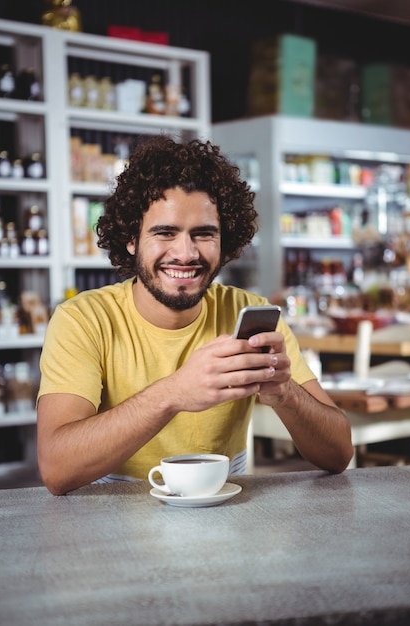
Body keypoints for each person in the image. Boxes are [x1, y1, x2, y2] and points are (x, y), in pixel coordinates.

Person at [37, 135, 353, 495]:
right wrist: (173, 393)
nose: (185, 253)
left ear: (225, 240)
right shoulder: (83, 320)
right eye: (165, 233)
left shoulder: (247, 312)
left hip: (224, 518)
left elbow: (339, 453)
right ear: (131, 239)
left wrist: (285, 393)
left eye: (203, 234)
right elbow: (56, 468)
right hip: (109, 522)